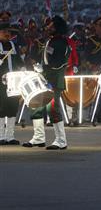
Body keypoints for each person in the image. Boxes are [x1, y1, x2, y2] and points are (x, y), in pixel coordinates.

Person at [23, 16, 69, 150]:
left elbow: (57, 63)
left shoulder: (60, 42)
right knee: (37, 106)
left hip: (54, 80)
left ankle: (61, 140)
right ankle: (38, 138)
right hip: (45, 79)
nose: (48, 27)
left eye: (51, 26)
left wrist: (43, 68)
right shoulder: (52, 41)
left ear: (57, 28)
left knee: (53, 109)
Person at [0, 22, 23, 145]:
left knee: (12, 108)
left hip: (14, 82)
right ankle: (1, 136)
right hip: (0, 83)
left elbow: (19, 60)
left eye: (8, 32)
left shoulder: (13, 45)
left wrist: (23, 68)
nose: (7, 34)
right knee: (1, 108)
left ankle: (10, 136)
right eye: (4, 32)